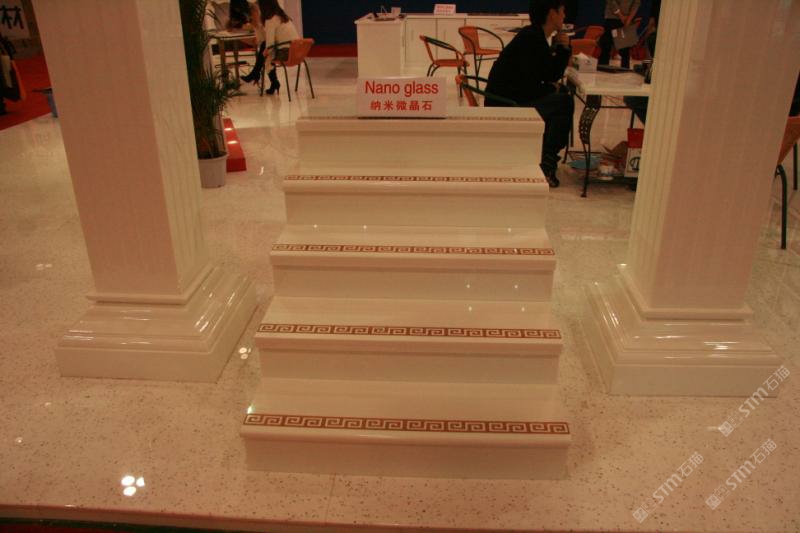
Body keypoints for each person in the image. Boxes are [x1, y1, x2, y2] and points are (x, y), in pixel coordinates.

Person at [484, 0, 573, 188]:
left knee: (561, 98)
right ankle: (547, 163)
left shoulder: (534, 36)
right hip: (506, 104)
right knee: (564, 102)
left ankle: (545, 157)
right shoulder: (532, 39)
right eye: (562, 11)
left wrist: (560, 49)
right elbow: (532, 85)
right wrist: (563, 50)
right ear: (552, 13)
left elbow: (546, 75)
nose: (564, 16)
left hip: (509, 98)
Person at [240, 0, 298, 95]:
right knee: (266, 49)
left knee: (266, 52)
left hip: (286, 53)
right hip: (296, 52)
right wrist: (257, 26)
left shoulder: (271, 20)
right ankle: (263, 77)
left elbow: (268, 43)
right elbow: (264, 40)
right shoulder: (283, 17)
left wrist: (263, 55)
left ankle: (258, 74)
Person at [598, 0, 640, 69]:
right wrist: (621, 16)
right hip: (612, 16)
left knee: (625, 49)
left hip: (627, 18)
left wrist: (628, 19)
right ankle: (602, 67)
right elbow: (611, 1)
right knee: (607, 45)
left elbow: (636, 3)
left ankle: (625, 69)